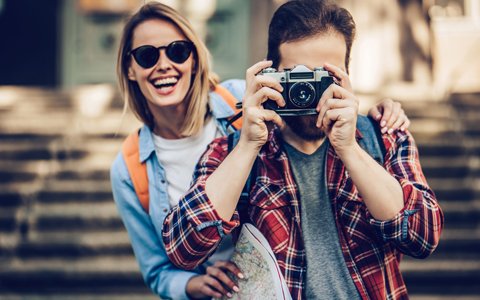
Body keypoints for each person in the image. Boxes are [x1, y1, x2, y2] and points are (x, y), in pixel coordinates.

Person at [111, 2, 411, 299]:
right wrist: (191, 284)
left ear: (195, 58)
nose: (302, 91)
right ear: (130, 68)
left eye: (177, 51)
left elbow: (418, 234)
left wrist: (375, 120)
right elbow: (166, 261)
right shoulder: (135, 165)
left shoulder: (245, 98)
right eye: (147, 56)